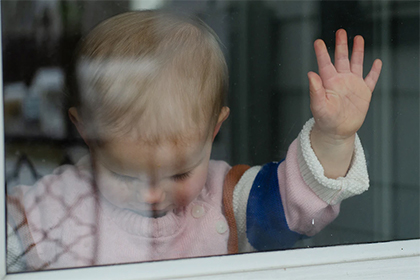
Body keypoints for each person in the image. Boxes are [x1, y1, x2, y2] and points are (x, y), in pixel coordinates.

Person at [7, 10, 382, 271]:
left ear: (213, 130)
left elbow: (298, 205)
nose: (152, 194)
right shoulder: (54, 208)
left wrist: (333, 138)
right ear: (86, 133)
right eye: (126, 176)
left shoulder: (228, 202)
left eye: (179, 173)